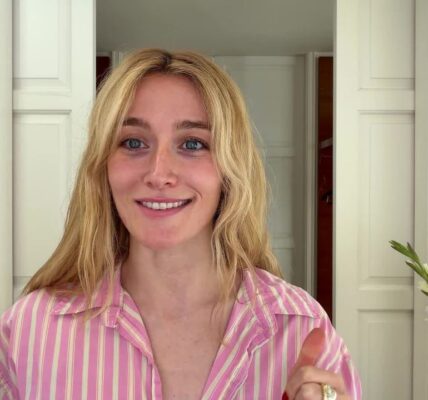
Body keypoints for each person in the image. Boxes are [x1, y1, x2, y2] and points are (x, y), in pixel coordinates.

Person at [0, 49, 361, 400]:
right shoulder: (30, 330)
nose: (159, 174)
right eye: (133, 142)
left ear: (229, 168)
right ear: (103, 167)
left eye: (192, 144)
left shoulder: (301, 329)